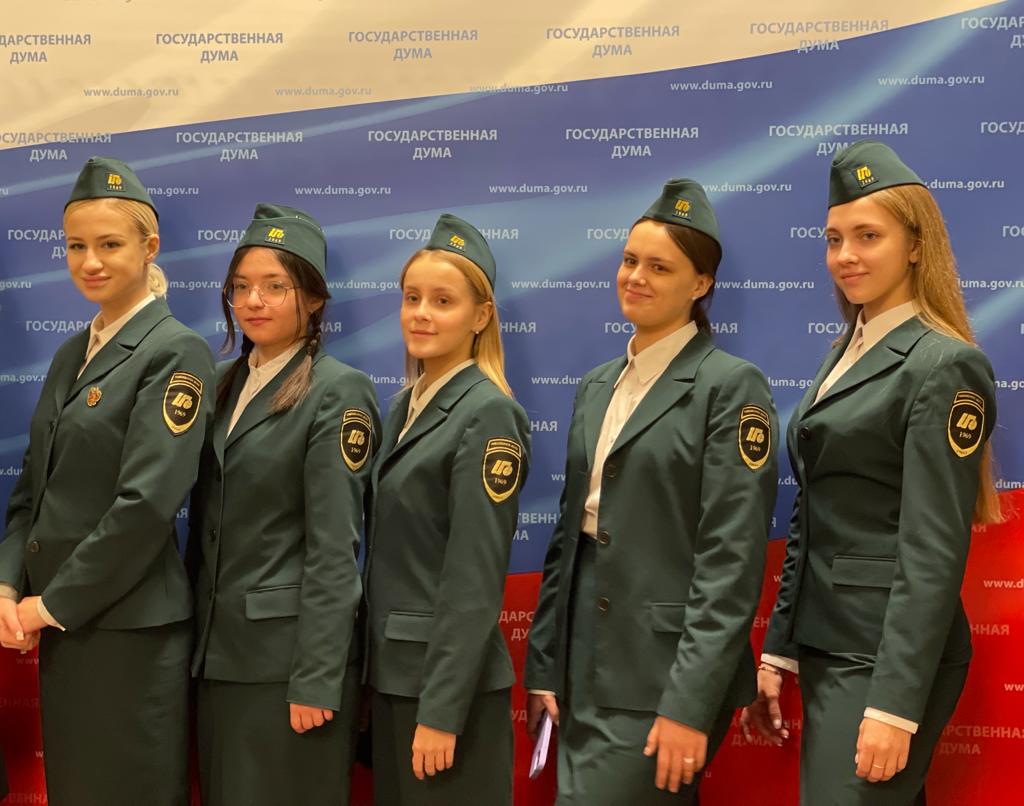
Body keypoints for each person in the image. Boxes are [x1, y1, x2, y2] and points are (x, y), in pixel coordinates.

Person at [741, 140, 1002, 805]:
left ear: (915, 244)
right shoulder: (845, 353)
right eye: (834, 239)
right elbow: (813, 511)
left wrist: (894, 707)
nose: (845, 255)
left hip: (885, 655)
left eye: (867, 236)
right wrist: (780, 648)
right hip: (831, 643)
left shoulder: (943, 365)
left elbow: (933, 548)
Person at [524, 179, 779, 805]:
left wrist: (690, 704)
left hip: (662, 674)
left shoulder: (730, 387)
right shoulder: (596, 385)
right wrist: (545, 665)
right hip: (582, 665)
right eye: (629, 260)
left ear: (700, 284)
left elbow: (730, 561)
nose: (635, 277)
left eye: (659, 267)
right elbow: (568, 540)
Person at [0, 156, 213, 806]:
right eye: (76, 246)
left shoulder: (175, 351)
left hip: (128, 633)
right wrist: (7, 582)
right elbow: (33, 487)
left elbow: (145, 505)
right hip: (67, 628)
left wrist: (49, 605)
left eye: (110, 244)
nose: (89, 261)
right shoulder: (72, 352)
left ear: (150, 247)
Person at [189, 203, 380, 805]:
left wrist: (318, 678)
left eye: (276, 286)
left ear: (314, 299)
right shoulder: (221, 383)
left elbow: (335, 546)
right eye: (241, 286)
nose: (254, 301)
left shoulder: (338, 390)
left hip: (287, 667)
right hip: (216, 660)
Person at [364, 214, 531, 805]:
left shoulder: (487, 414)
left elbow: (472, 577)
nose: (421, 314)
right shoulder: (403, 408)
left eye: (442, 301)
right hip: (393, 680)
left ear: (480, 316)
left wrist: (441, 710)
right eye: (412, 298)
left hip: (443, 695)